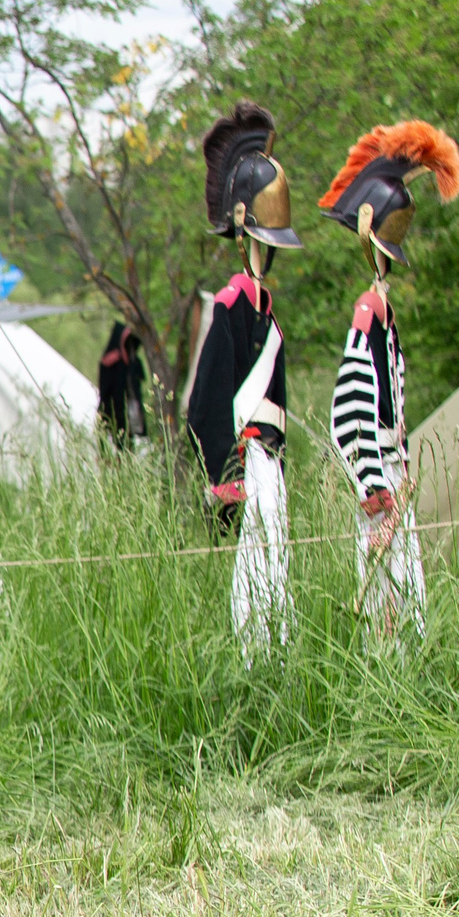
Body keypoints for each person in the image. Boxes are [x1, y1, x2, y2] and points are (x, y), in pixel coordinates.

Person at [318, 122, 459, 638]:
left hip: (392, 474)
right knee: (390, 612)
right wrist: (374, 485)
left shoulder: (383, 310)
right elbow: (351, 405)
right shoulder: (367, 311)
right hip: (379, 480)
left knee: (407, 605)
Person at [188, 100, 303, 656]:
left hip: (270, 465)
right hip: (246, 461)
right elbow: (206, 400)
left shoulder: (267, 309)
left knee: (276, 586)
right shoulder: (232, 303)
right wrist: (227, 478)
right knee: (251, 594)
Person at [96, 322, 150, 445]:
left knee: (127, 442)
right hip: (113, 407)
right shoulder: (111, 360)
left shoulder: (133, 362)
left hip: (129, 408)